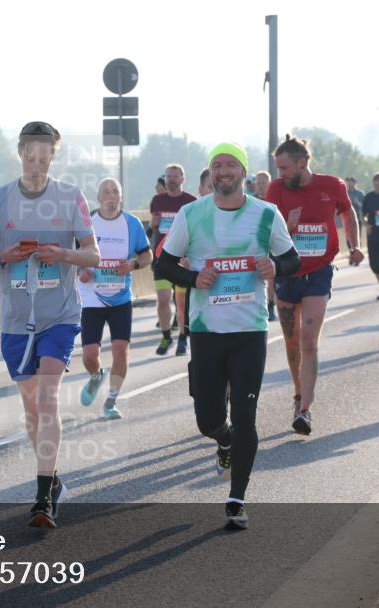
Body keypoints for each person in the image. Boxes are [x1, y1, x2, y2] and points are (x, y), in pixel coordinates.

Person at [157, 142, 299, 529]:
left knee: (246, 415)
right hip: (206, 331)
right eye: (216, 165)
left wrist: (275, 267)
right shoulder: (191, 214)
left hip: (249, 330)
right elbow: (164, 262)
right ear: (211, 173)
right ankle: (223, 440)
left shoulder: (266, 214)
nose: (222, 171)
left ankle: (237, 499)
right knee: (208, 419)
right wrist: (192, 278)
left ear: (243, 173)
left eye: (230, 165)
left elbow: (293, 258)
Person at [0, 121, 100, 528]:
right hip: (15, 320)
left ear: (53, 157)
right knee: (30, 409)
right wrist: (3, 256)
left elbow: (92, 255)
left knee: (47, 398)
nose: (37, 163)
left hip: (58, 315)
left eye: (45, 157)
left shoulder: (71, 197)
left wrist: (63, 254)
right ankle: (53, 477)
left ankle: (42, 499)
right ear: (21, 153)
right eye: (31, 155)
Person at [265, 134, 363, 436]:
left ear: (303, 162)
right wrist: (289, 228)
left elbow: (348, 212)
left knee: (309, 342)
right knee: (292, 344)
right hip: (286, 273)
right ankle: (297, 395)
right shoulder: (276, 189)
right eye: (278, 169)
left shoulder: (332, 186)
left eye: (284, 168)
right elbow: (266, 233)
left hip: (319, 272)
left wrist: (354, 244)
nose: (280, 174)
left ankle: (305, 410)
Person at [78, 178, 153, 419]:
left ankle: (111, 401)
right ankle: (96, 375)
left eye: (115, 192)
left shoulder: (131, 223)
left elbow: (147, 255)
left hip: (121, 297)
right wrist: (82, 271)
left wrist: (132, 264)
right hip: (93, 298)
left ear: (121, 197)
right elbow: (74, 255)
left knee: (121, 350)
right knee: (90, 355)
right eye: (106, 192)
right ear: (98, 198)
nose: (111, 195)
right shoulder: (87, 222)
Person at [150, 164, 197, 356]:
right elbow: (155, 228)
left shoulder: (191, 202)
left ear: (182, 179)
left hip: (181, 259)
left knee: (181, 302)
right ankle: (166, 335)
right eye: (168, 176)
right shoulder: (157, 201)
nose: (171, 179)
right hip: (162, 258)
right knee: (162, 300)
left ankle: (183, 339)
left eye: (175, 176)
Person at [255, 170, 276, 320]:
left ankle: (271, 305)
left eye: (264, 182)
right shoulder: (250, 200)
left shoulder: (275, 201)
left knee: (271, 277)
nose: (261, 186)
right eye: (258, 183)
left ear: (269, 183)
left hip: (272, 242)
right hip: (255, 244)